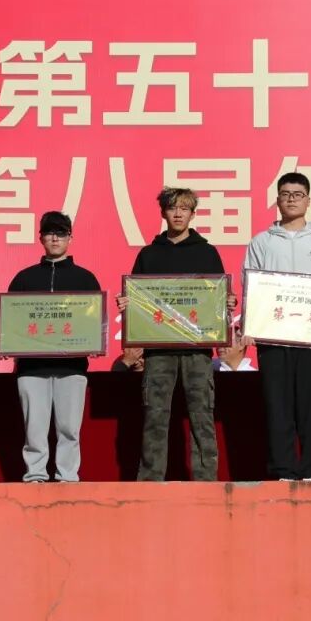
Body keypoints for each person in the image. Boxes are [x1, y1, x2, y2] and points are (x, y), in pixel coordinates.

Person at [117, 187, 236, 482]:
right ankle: (150, 481)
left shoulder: (207, 253)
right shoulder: (149, 254)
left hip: (198, 350)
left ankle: (206, 481)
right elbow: (137, 298)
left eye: (184, 208)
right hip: (159, 351)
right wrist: (127, 303)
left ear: (193, 214)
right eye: (173, 208)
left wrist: (228, 301)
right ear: (163, 213)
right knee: (155, 416)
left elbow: (219, 297)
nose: (178, 214)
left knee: (202, 416)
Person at [243, 171, 311, 481]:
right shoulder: (261, 242)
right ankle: (283, 470)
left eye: (297, 194)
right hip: (273, 339)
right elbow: (251, 287)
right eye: (286, 194)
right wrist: (251, 326)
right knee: (278, 407)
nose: (291, 199)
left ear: (308, 201)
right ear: (277, 200)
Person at [7, 211, 100, 483]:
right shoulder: (24, 279)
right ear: (41, 238)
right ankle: (35, 475)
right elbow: (11, 322)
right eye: (49, 233)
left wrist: (95, 341)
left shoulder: (86, 279)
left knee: (69, 428)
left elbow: (94, 322)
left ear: (70, 238)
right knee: (34, 429)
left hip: (72, 367)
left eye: (61, 233)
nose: (55, 238)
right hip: (31, 367)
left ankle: (67, 477)